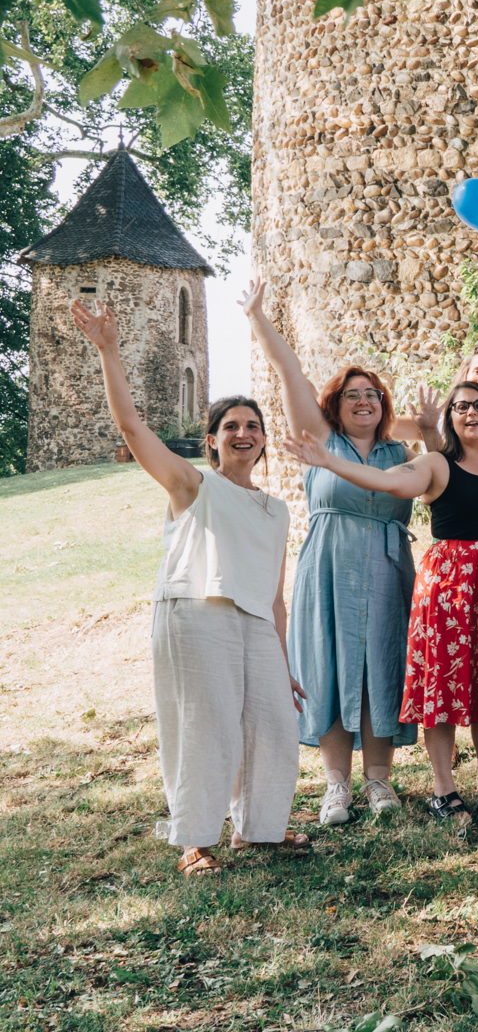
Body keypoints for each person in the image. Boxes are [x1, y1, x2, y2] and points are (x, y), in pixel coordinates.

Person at [74, 300, 309, 876]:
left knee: (276, 723)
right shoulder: (192, 485)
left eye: (253, 426)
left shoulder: (275, 510)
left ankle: (259, 830)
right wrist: (109, 350)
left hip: (255, 624)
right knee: (205, 730)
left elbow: (276, 596)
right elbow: (132, 427)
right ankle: (195, 841)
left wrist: (282, 660)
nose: (245, 433)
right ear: (211, 440)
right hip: (195, 616)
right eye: (232, 426)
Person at [284, 383, 478, 824]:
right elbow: (389, 483)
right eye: (461, 407)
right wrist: (331, 462)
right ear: (451, 419)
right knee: (447, 684)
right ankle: (443, 788)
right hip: (450, 586)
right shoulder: (436, 462)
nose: (472, 413)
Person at [242, 280, 419, 825]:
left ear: (384, 406)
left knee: (382, 663)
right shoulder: (321, 442)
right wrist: (258, 318)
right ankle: (336, 786)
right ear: (335, 406)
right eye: (353, 394)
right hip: (330, 566)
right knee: (330, 666)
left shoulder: (400, 451)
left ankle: (380, 782)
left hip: (389, 569)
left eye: (373, 394)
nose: (364, 400)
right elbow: (290, 371)